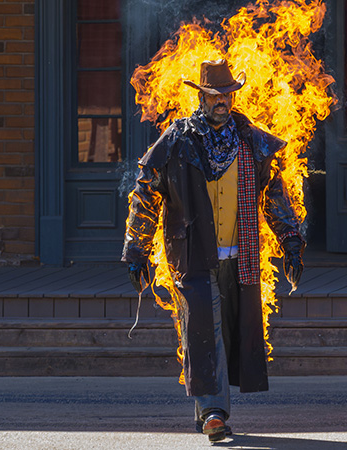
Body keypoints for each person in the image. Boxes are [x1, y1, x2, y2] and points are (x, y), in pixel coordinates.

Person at [121, 59, 305, 441]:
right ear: (201, 97)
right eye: (214, 95)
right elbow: (146, 194)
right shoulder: (178, 139)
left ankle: (209, 407)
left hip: (241, 258)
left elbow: (274, 196)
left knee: (222, 334)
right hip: (192, 256)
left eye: (227, 94)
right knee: (205, 330)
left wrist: (290, 241)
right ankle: (214, 413)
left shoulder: (250, 139)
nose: (222, 101)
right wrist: (136, 249)